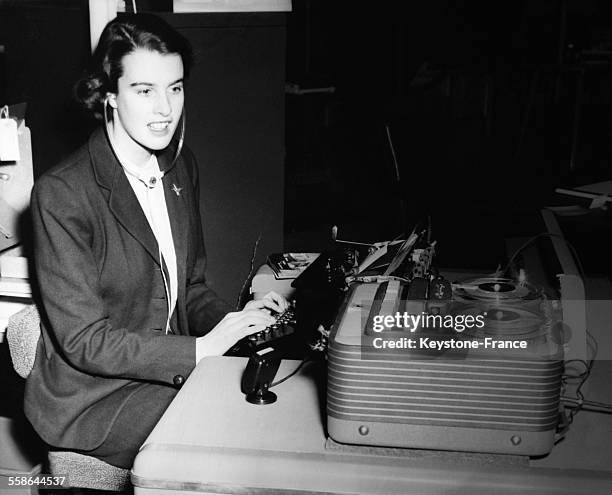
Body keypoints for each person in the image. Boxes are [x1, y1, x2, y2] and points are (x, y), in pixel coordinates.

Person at [24, 13, 288, 469]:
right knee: (230, 437)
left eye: (176, 87)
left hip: (163, 370)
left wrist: (241, 324)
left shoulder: (180, 169)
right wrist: (200, 350)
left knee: (272, 414)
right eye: (144, 91)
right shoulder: (62, 194)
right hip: (94, 397)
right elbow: (86, 341)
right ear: (109, 94)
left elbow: (192, 287)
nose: (165, 109)